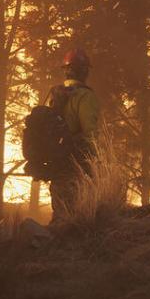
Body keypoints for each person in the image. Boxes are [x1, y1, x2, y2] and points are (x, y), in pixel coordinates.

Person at [46, 48, 100, 220]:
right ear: (84, 71)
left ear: (66, 70)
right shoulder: (85, 96)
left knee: (60, 217)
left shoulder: (55, 96)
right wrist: (97, 162)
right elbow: (91, 134)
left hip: (57, 167)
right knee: (80, 219)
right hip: (78, 167)